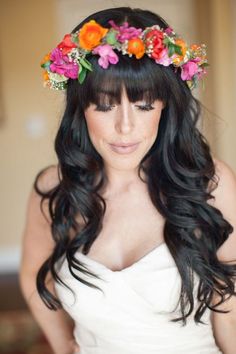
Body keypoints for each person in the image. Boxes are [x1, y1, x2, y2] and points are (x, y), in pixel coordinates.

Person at [19, 6, 236, 354]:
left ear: (165, 104)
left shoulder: (210, 182)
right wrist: (63, 345)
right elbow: (33, 272)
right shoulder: (55, 191)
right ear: (80, 107)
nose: (125, 127)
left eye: (144, 105)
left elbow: (231, 314)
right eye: (104, 106)